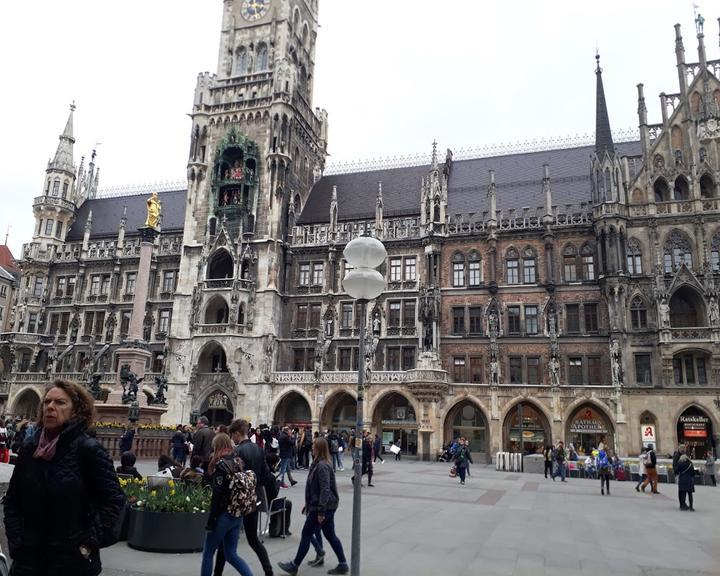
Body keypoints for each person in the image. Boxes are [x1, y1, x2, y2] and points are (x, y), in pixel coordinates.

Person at [4, 379, 125, 575]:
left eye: (60, 402)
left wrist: (87, 543)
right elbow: (12, 500)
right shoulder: (30, 448)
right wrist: (16, 540)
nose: (50, 407)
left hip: (72, 562)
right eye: (47, 402)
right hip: (28, 559)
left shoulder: (89, 450)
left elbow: (115, 501)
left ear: (76, 410)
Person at [211, 419, 275, 576]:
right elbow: (267, 476)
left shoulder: (237, 452)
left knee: (225, 542)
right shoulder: (259, 449)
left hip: (237, 502)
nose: (231, 439)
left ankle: (217, 573)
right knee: (253, 540)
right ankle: (268, 571)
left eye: (232, 435)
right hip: (252, 500)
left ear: (237, 433)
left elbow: (232, 477)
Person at [277, 437, 349, 575]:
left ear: (319, 449)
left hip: (322, 508)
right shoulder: (318, 464)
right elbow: (315, 489)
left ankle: (294, 565)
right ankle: (343, 563)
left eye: (314, 446)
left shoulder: (322, 466)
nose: (312, 448)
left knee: (306, 534)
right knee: (330, 535)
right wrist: (309, 504)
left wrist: (320, 511)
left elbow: (325, 489)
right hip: (322, 506)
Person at [201, 433, 254, 576]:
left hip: (223, 515)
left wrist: (211, 520)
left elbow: (217, 496)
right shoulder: (238, 461)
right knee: (231, 555)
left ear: (217, 447)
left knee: (208, 553)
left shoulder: (221, 465)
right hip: (237, 514)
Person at [674, 445, 695, 511]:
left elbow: (676, 470)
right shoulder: (690, 464)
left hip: (682, 479)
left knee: (683, 493)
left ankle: (682, 505)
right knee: (690, 494)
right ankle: (691, 507)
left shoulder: (680, 464)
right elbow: (693, 473)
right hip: (689, 480)